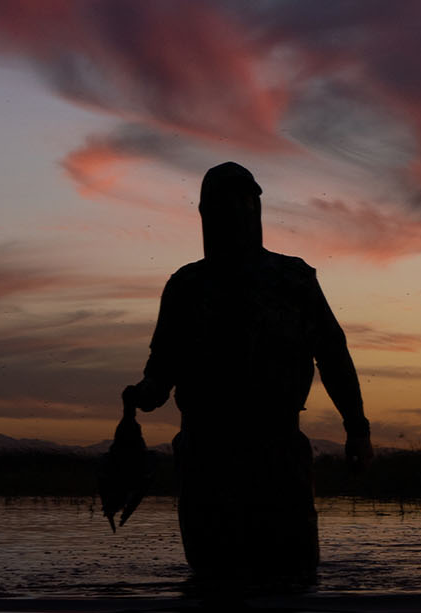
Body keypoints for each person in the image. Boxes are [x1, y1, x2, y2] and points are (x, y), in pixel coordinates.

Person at [124, 162, 372, 585]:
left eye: (246, 201)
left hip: (277, 455)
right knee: (211, 587)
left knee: (292, 584)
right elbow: (161, 372)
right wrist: (141, 395)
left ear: (256, 209)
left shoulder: (293, 279)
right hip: (206, 459)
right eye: (224, 203)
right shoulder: (187, 287)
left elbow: (333, 356)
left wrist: (357, 428)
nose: (237, 211)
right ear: (206, 213)